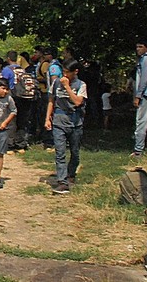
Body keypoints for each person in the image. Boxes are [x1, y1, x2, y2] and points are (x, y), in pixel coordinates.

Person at [45, 59, 87, 194]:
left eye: (67, 72)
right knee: (60, 152)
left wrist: (68, 87)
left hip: (75, 122)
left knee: (74, 152)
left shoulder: (81, 85)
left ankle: (71, 174)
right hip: (59, 120)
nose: (64, 75)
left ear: (75, 72)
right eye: (63, 72)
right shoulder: (56, 82)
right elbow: (51, 100)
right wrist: (48, 118)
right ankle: (62, 181)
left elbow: (77, 102)